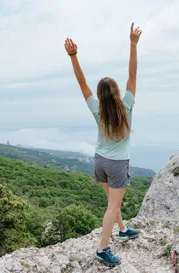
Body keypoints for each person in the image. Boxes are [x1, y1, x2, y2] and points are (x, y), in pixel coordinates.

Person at [64, 22, 142, 267]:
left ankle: (123, 229)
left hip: (99, 161)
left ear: (99, 95)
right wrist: (132, 44)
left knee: (112, 202)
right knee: (112, 206)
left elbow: (81, 82)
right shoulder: (127, 104)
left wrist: (73, 56)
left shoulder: (97, 109)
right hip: (117, 164)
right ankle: (102, 248)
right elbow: (133, 74)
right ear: (117, 91)